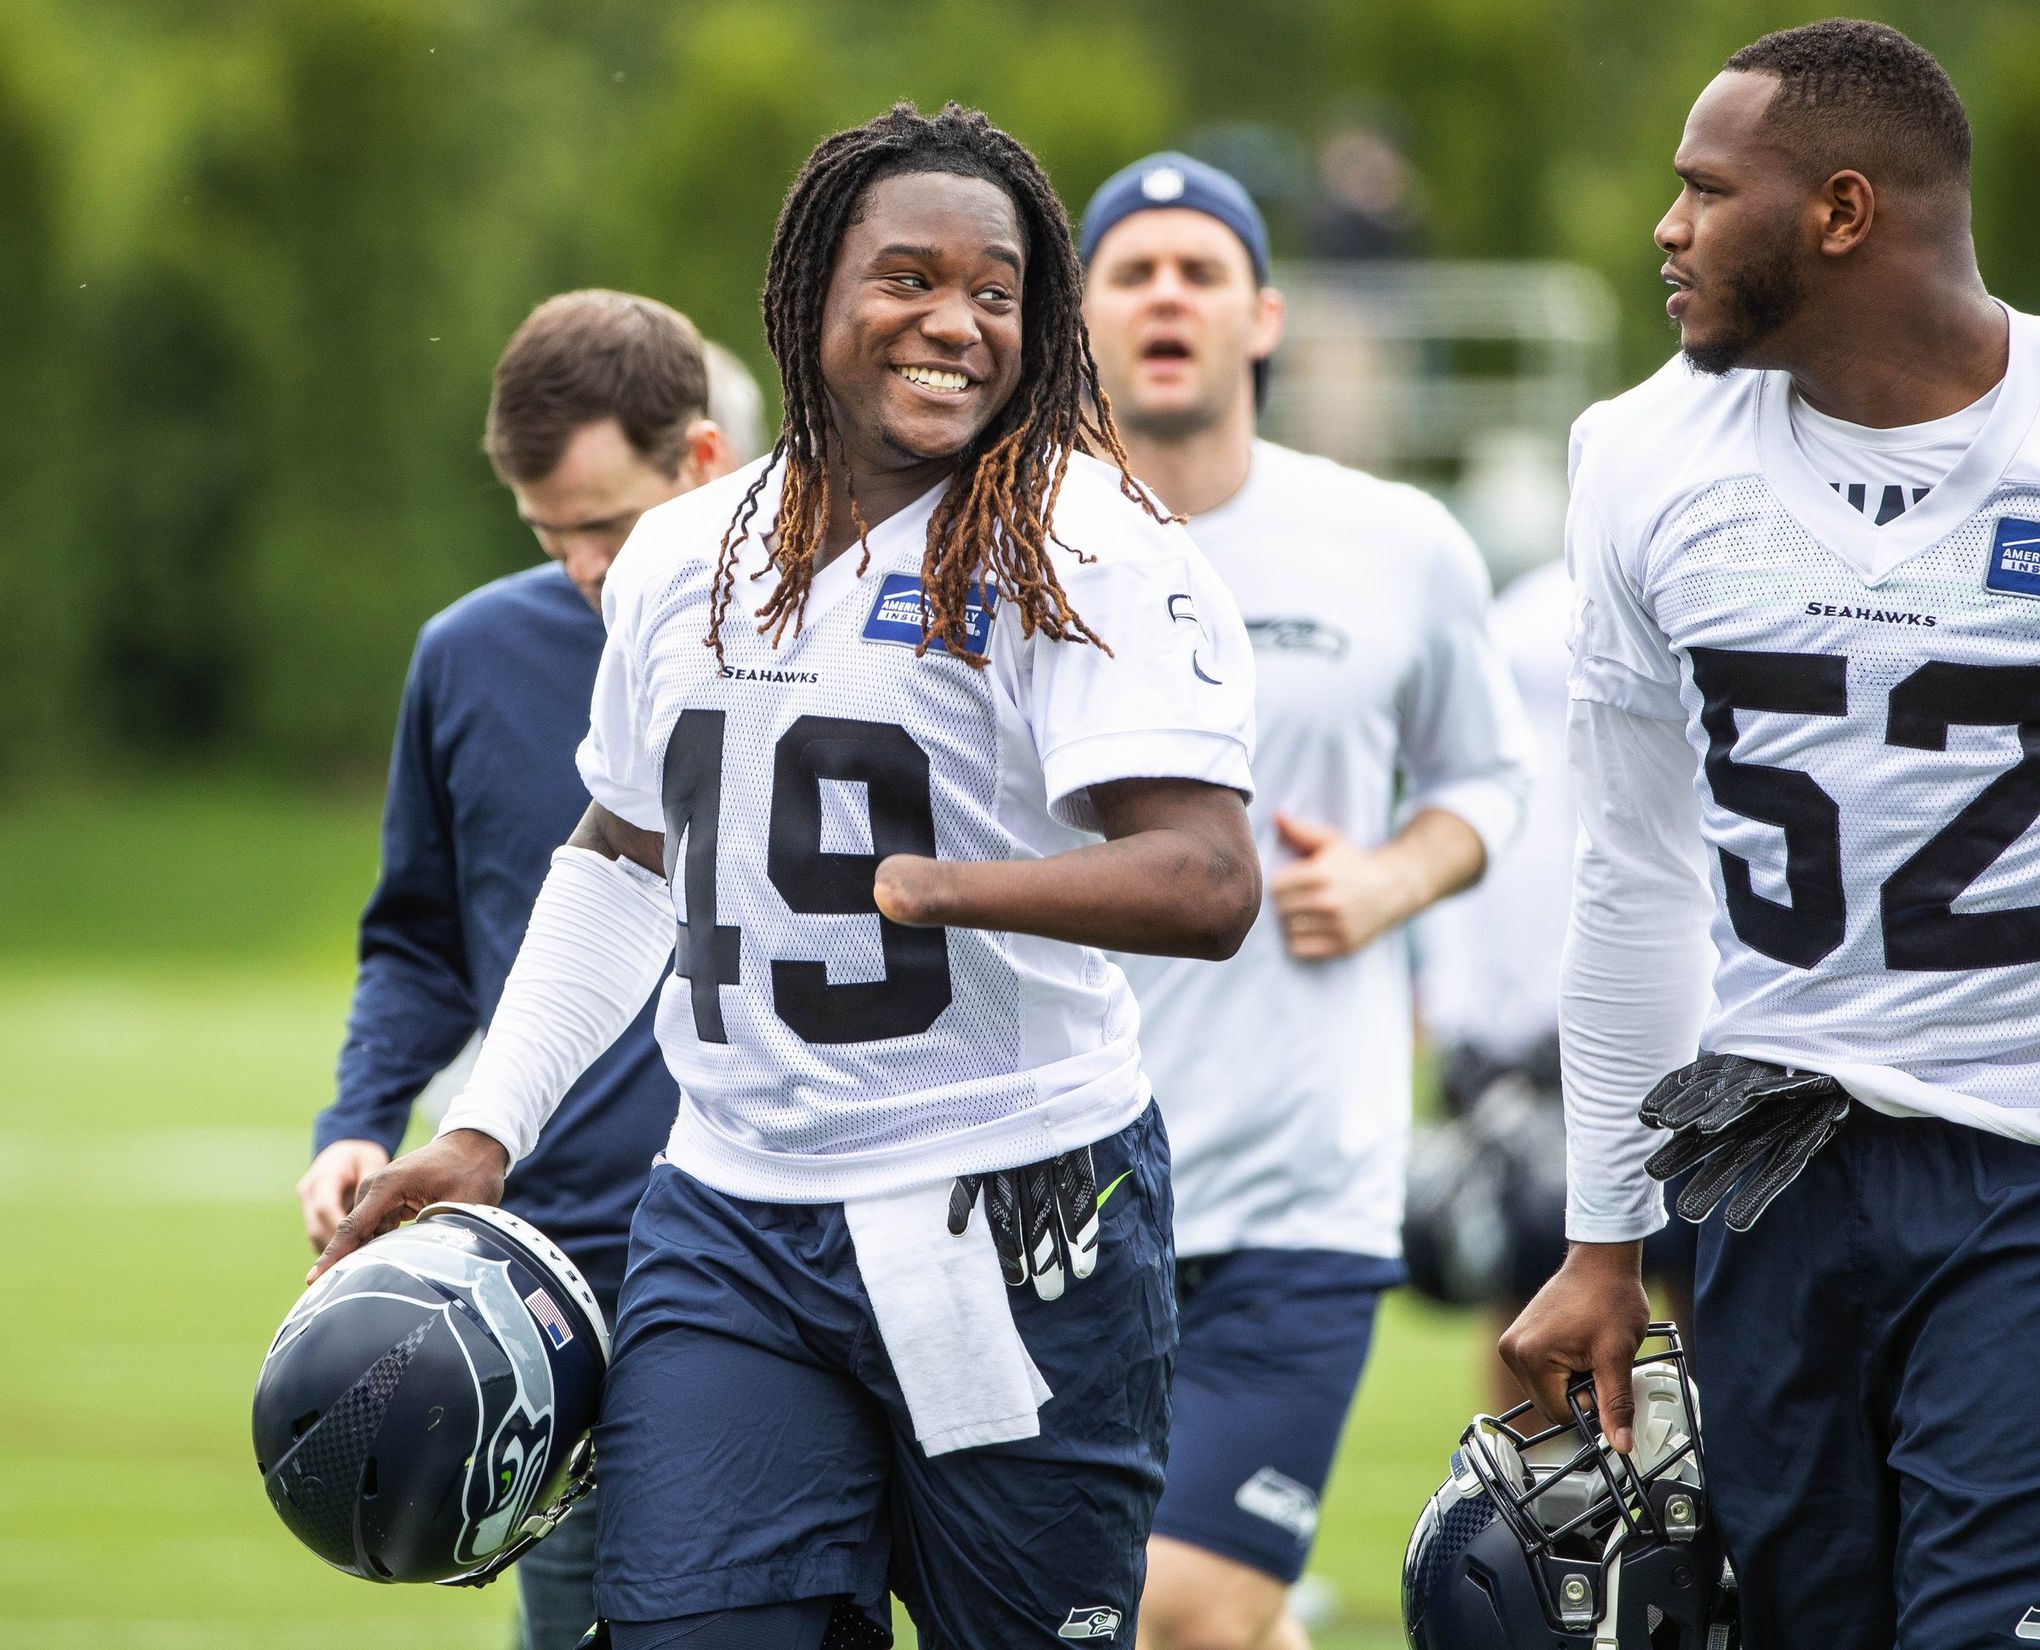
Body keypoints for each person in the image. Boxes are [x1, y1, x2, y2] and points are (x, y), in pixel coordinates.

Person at [313, 102, 1262, 1650]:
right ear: (813, 290)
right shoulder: (686, 553)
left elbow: (1207, 879)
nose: (953, 320)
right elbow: (621, 856)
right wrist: (486, 1127)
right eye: (908, 277)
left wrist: (956, 889)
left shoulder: (1089, 541)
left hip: (1009, 1206)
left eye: (999, 290)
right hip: (734, 1209)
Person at [1498, 21, 2040, 1648]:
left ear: (1843, 212)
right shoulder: (1641, 457)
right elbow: (1636, 872)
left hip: (2019, 1154)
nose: (1667, 227)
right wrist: (1606, 1238)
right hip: (1766, 1176)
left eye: (1705, 188)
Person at [1079, 154, 1530, 1650]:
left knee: (1185, 1611)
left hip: (1298, 1190)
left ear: (1262, 312)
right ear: (1080, 315)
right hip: (1051, 1183)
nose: (1166, 295)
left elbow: (1486, 779)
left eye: (1200, 270)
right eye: (1131, 269)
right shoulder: (1002, 551)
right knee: (1073, 1613)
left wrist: (1392, 875)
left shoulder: (1397, 542)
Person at [295, 289, 737, 1649]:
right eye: (553, 537)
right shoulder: (466, 656)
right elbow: (421, 936)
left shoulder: (816, 650)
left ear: (703, 463)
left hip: (763, 1247)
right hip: (564, 1289)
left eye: (611, 524)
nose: (590, 567)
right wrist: (362, 1116)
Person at [1412, 556, 1694, 1412]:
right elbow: (1496, 833)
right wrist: (1472, 1020)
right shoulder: (1526, 620)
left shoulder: (1668, 592)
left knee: (1694, 1279)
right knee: (1531, 1276)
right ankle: (1540, 1511)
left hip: (1643, 1016)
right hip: (1528, 1026)